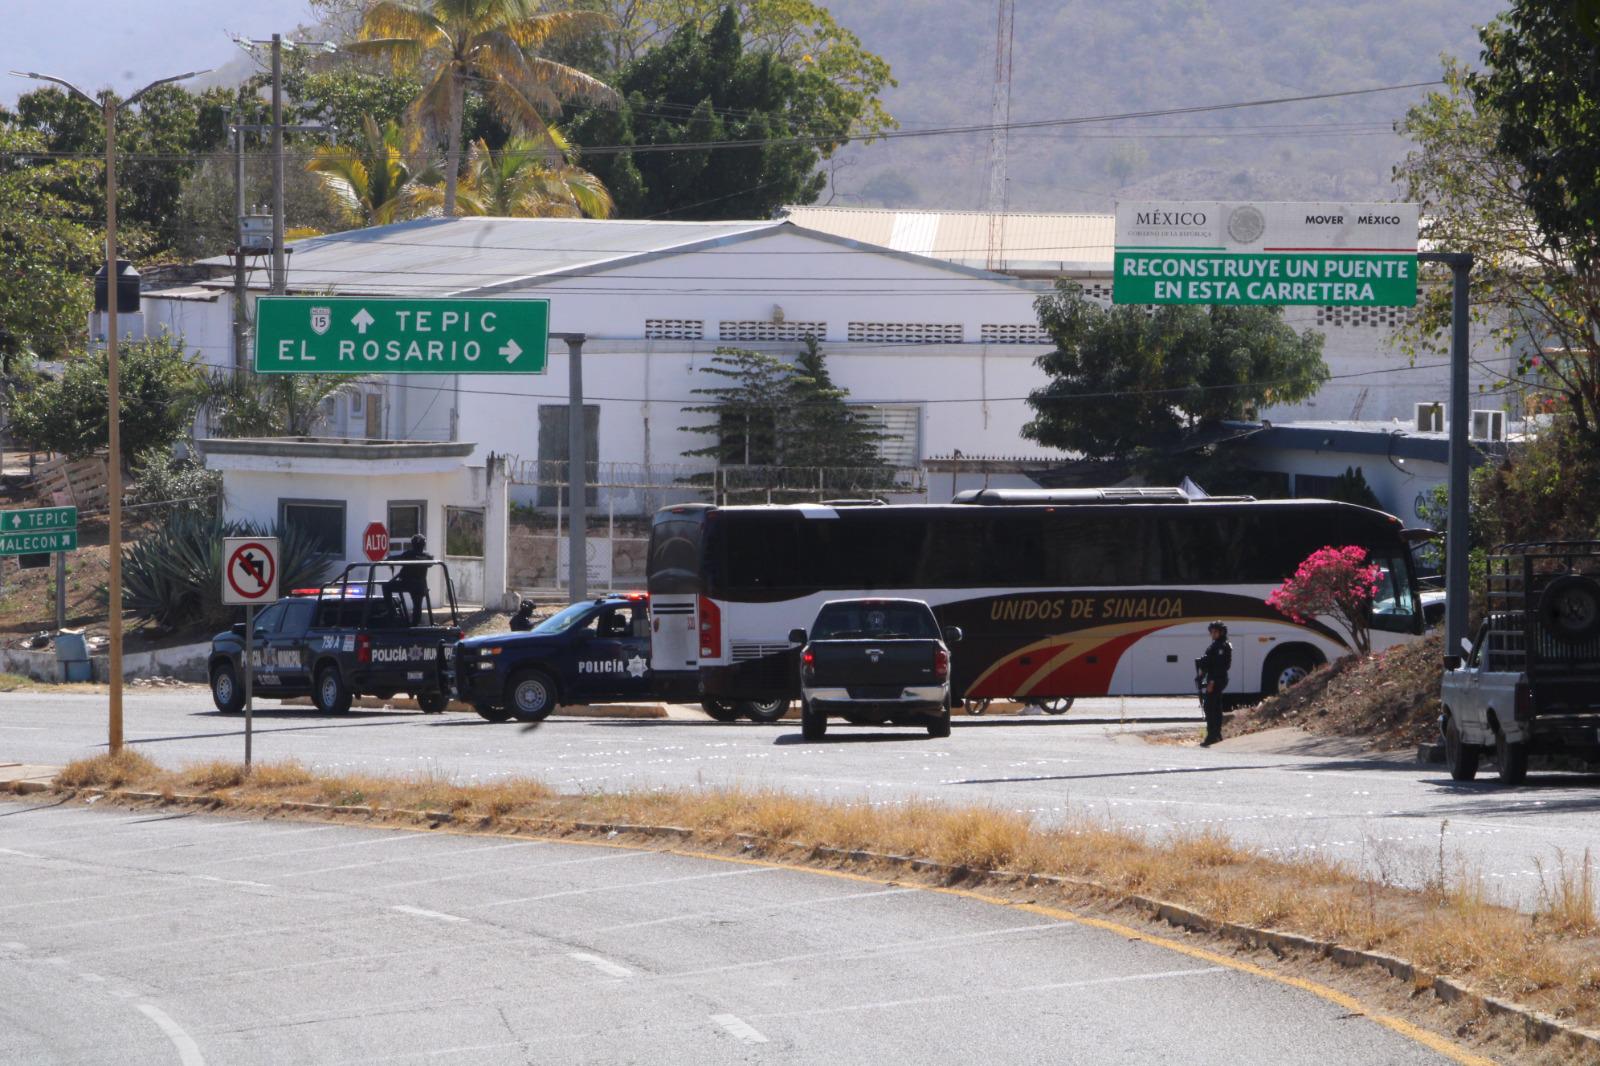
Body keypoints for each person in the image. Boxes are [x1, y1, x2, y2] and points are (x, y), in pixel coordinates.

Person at [1195, 621, 1232, 746]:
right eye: (1212, 632)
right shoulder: (1216, 645)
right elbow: (1209, 663)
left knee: (1210, 707)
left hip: (1217, 679)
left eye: (1215, 631)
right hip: (1213, 678)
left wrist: (1212, 682)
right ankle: (1216, 734)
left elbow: (1220, 667)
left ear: (1221, 632)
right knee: (1214, 707)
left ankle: (1212, 736)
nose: (1213, 634)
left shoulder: (1221, 646)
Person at [386, 534, 432, 623]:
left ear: (412, 544)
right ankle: (415, 624)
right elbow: (429, 563)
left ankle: (392, 612)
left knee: (386, 587)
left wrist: (388, 559)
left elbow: (398, 558)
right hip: (419, 586)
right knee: (417, 605)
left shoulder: (409, 554)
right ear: (423, 545)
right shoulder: (427, 557)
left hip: (407, 584)